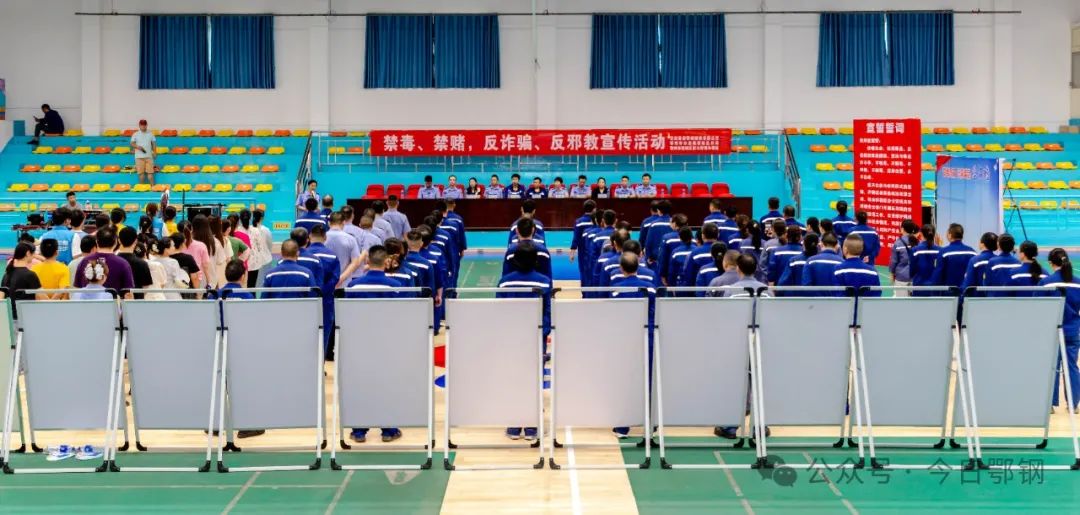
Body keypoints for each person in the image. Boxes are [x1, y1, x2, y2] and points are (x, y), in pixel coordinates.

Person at [342, 245, 404, 443]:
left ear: (367, 262)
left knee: (361, 385)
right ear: (386, 262)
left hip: (359, 345)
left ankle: (359, 431)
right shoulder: (396, 286)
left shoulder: (354, 286)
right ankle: (388, 430)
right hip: (387, 346)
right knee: (386, 385)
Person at [496, 241, 552, 441]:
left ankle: (514, 426)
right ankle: (531, 427)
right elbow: (548, 312)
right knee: (534, 379)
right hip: (535, 337)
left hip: (511, 339)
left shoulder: (504, 283)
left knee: (513, 378)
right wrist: (543, 333)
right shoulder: (544, 282)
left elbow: (499, 310)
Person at [1041, 249, 1080, 413]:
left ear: (1051, 263)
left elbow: (1038, 307)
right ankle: (1074, 404)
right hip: (1072, 330)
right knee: (1072, 366)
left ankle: (1050, 404)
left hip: (1052, 331)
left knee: (1051, 367)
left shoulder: (1046, 283)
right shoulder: (1078, 283)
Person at [74, 227, 134, 296]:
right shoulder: (123, 264)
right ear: (116, 242)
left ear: (96, 242)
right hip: (114, 302)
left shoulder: (85, 261)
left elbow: (77, 289)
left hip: (87, 302)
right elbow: (128, 294)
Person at [932, 224, 977, 290]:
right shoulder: (972, 252)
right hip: (967, 293)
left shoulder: (944, 252)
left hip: (949, 292)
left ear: (950, 235)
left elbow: (938, 274)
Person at [117, 227, 154, 298]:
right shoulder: (142, 263)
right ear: (135, 241)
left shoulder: (113, 261)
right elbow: (146, 286)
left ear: (119, 240)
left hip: (115, 301)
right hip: (136, 301)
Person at [325, 212, 362, 277]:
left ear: (329, 223)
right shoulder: (351, 239)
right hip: (345, 281)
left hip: (325, 280)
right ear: (344, 222)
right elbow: (355, 262)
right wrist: (341, 279)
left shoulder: (321, 238)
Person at [569, 200, 596, 284]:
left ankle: (584, 290)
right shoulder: (597, 221)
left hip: (583, 252)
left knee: (584, 272)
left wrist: (572, 253)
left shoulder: (579, 221)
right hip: (595, 251)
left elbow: (576, 238)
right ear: (594, 209)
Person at [910, 224, 941, 296]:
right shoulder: (940, 250)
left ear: (921, 234)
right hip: (935, 287)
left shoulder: (915, 250)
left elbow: (912, 270)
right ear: (934, 234)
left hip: (919, 286)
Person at [889, 220, 918, 296]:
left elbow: (894, 261)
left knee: (901, 301)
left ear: (902, 229)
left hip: (901, 277)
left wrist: (892, 274)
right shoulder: (917, 242)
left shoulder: (898, 243)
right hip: (915, 277)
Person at [643, 201, 673, 273]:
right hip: (671, 260)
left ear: (658, 210)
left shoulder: (653, 225)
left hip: (656, 261)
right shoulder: (675, 223)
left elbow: (648, 243)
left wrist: (648, 258)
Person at [130, 119, 157, 186]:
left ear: (146, 125)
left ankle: (153, 187)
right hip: (139, 157)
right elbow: (132, 143)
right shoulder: (135, 134)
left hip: (149, 156)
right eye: (142, 125)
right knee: (141, 174)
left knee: (150, 173)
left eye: (144, 125)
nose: (143, 126)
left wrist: (155, 152)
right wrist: (138, 147)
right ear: (139, 125)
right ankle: (141, 188)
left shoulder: (150, 134)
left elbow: (154, 144)